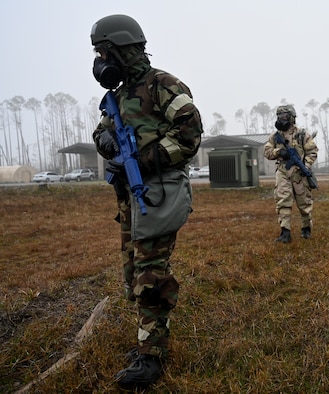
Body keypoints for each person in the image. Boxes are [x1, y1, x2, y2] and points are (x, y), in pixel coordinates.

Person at [90, 14, 203, 389]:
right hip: (129, 199)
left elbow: (189, 131)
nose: (99, 61)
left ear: (121, 49)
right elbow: (103, 129)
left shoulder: (162, 85)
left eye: (103, 52)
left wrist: (145, 160)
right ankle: (146, 339)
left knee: (151, 273)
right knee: (133, 272)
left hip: (157, 193)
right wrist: (104, 142)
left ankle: (152, 355)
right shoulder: (118, 96)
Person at [264, 105, 318, 243]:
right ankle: (285, 232)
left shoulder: (302, 134)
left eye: (285, 117)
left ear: (292, 118)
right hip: (283, 171)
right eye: (279, 117)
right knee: (283, 200)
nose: (282, 120)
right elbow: (267, 152)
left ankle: (306, 229)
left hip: (299, 173)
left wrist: (304, 166)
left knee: (304, 202)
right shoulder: (275, 137)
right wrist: (278, 152)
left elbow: (312, 151)